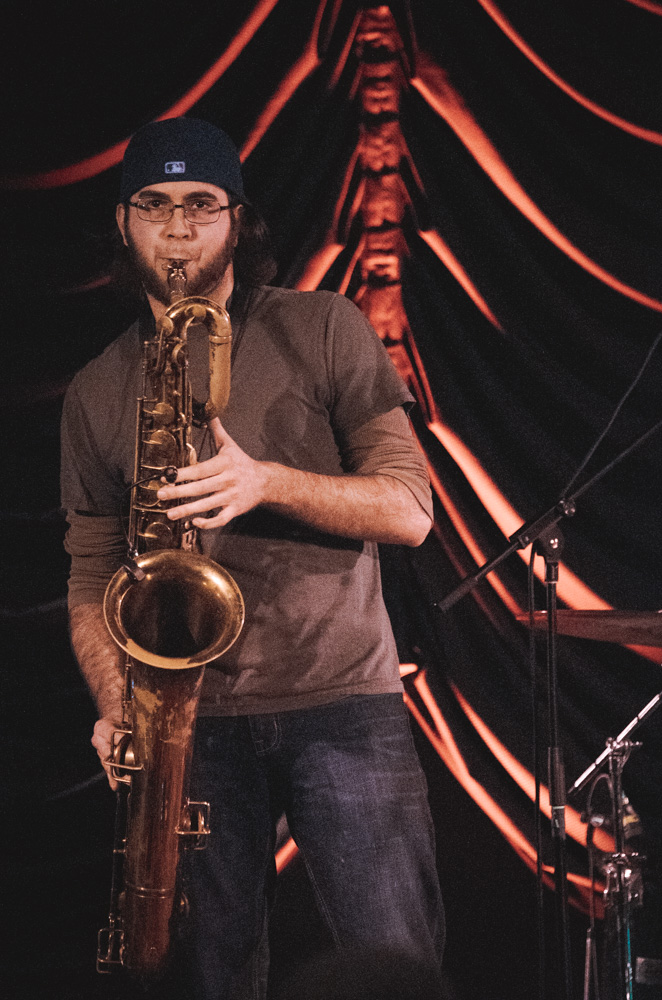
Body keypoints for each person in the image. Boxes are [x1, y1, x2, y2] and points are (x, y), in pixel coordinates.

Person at [61, 116, 445, 1000]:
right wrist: (116, 701)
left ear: (239, 219)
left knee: (395, 962)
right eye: (153, 205)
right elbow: (90, 568)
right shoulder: (94, 388)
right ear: (124, 224)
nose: (179, 227)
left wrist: (265, 480)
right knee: (209, 974)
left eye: (202, 204)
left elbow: (409, 509)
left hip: (341, 706)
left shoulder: (324, 327)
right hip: (184, 723)